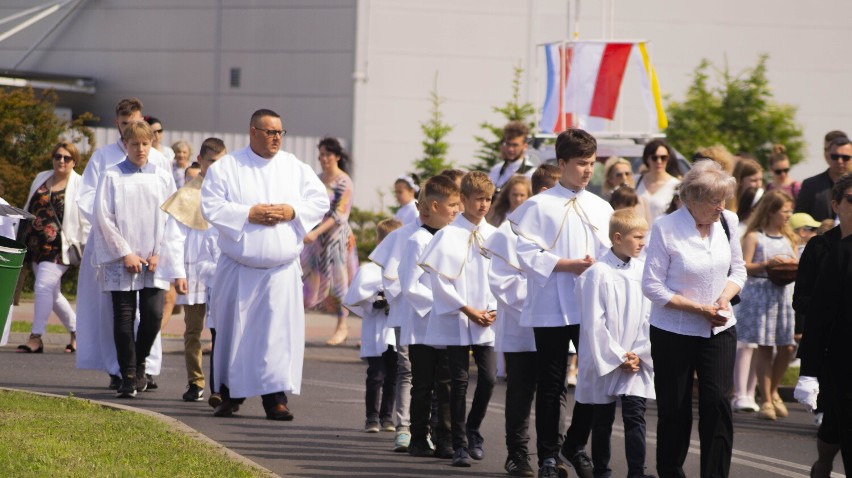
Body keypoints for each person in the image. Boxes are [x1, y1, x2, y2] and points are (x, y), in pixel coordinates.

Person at [201, 108, 329, 419]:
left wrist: (291, 211)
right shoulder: (228, 167)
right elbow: (210, 205)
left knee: (277, 336)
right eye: (270, 132)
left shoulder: (294, 167)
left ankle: (275, 399)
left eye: (280, 133)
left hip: (280, 270)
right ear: (253, 132)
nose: (276, 138)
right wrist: (248, 213)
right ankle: (230, 395)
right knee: (234, 334)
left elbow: (319, 200)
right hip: (239, 267)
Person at [509, 128, 613, 478]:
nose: (588, 170)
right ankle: (549, 457)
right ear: (562, 162)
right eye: (581, 163)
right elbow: (524, 252)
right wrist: (567, 265)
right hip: (551, 305)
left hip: (590, 306)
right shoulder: (538, 205)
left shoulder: (601, 206)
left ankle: (575, 443)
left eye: (592, 164)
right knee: (551, 383)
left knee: (594, 378)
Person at [642, 159, 745, 478]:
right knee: (675, 409)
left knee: (717, 404)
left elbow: (738, 270)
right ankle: (671, 471)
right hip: (674, 330)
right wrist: (699, 309)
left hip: (719, 327)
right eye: (715, 200)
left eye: (724, 199)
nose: (721, 207)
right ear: (691, 199)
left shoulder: (728, 220)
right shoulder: (666, 227)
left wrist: (723, 300)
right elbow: (652, 286)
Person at [76, 97, 172, 389]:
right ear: (118, 125)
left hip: (154, 253)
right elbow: (96, 208)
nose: (139, 145)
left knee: (153, 314)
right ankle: (123, 371)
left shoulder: (161, 167)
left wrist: (160, 250)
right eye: (127, 126)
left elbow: (172, 213)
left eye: (144, 138)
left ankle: (144, 366)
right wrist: (123, 250)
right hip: (120, 252)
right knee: (122, 314)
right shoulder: (106, 164)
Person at [484, 164, 559, 477]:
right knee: (521, 392)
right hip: (523, 327)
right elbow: (502, 283)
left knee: (554, 392)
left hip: (555, 324)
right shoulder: (507, 233)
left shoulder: (561, 229)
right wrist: (538, 299)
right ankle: (517, 454)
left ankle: (551, 456)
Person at [420, 171, 498, 468]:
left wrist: (492, 310)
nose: (483, 205)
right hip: (459, 318)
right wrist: (466, 309)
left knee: (489, 379)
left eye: (488, 199)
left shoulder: (495, 235)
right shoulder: (447, 235)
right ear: (463, 199)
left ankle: (473, 429)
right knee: (459, 382)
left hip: (487, 320)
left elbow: (503, 278)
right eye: (478, 199)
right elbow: (439, 281)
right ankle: (460, 444)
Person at [575, 210, 655, 478]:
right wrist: (618, 356)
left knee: (635, 415)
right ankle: (602, 471)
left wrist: (639, 354)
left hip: (636, 357)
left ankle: (636, 472)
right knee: (603, 418)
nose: (643, 242)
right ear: (618, 238)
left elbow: (650, 315)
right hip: (606, 356)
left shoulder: (644, 271)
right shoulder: (597, 273)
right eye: (638, 237)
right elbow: (592, 322)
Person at [158, 138, 227, 402]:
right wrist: (178, 273)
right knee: (193, 329)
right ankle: (195, 381)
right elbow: (173, 237)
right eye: (211, 162)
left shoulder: (232, 191)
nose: (216, 167)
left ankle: (222, 385)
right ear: (201, 159)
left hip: (224, 269)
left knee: (222, 330)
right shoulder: (188, 194)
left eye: (220, 162)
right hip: (196, 271)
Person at [794, 173, 852, 477]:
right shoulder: (820, 248)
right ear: (836, 204)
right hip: (832, 347)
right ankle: (824, 463)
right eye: (851, 200)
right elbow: (800, 299)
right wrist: (824, 304)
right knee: (834, 422)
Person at [400, 175, 460, 459]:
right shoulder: (416, 240)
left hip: (448, 323)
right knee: (423, 384)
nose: (457, 210)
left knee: (446, 383)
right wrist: (441, 304)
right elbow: (410, 285)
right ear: (434, 206)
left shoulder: (452, 237)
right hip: (424, 325)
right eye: (453, 205)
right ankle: (418, 437)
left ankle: (445, 437)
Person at [17, 142, 89, 354]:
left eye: (67, 158)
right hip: (35, 244)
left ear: (74, 161)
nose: (61, 161)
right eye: (58, 156)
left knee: (42, 288)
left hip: (61, 246)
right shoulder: (42, 177)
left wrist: (86, 244)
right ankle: (77, 332)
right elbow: (30, 205)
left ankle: (36, 337)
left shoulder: (80, 183)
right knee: (52, 292)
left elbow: (85, 217)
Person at [368, 200, 427, 451]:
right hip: (408, 312)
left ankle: (433, 428)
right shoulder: (402, 236)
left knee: (437, 375)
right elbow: (390, 277)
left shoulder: (453, 233)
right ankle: (404, 427)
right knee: (408, 370)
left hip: (442, 313)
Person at [736, 190, 797, 421]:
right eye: (785, 210)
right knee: (764, 347)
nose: (789, 215)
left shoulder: (789, 237)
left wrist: (791, 267)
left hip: (783, 295)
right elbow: (744, 265)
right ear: (771, 211)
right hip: (761, 292)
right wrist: (767, 265)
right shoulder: (755, 236)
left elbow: (794, 264)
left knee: (787, 347)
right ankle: (768, 401)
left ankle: (772, 391)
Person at [344, 218, 402, 433]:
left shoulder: (404, 267)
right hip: (377, 329)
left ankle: (388, 416)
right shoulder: (369, 270)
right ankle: (371, 417)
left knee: (394, 375)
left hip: (395, 331)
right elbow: (357, 295)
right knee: (376, 374)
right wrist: (374, 300)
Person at [301, 137, 358, 346]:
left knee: (339, 281)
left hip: (335, 239)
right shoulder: (316, 179)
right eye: (321, 154)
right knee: (306, 276)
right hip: (315, 237)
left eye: (327, 154)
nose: (323, 159)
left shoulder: (344, 181)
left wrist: (316, 232)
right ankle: (298, 322)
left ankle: (342, 326)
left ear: (337, 156)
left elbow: (339, 215)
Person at [796, 133, 852, 221]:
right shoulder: (810, 185)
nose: (840, 161)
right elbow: (799, 219)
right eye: (835, 156)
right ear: (827, 156)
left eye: (845, 157)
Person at [635, 139, 681, 225]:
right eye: (654, 158)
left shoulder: (676, 185)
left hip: (663, 234)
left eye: (663, 158)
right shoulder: (635, 181)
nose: (659, 161)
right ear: (647, 159)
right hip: (638, 235)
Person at [489, 121, 535, 194]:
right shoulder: (496, 170)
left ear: (525, 146)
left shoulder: (531, 173)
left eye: (515, 145)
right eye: (508, 144)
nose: (510, 149)